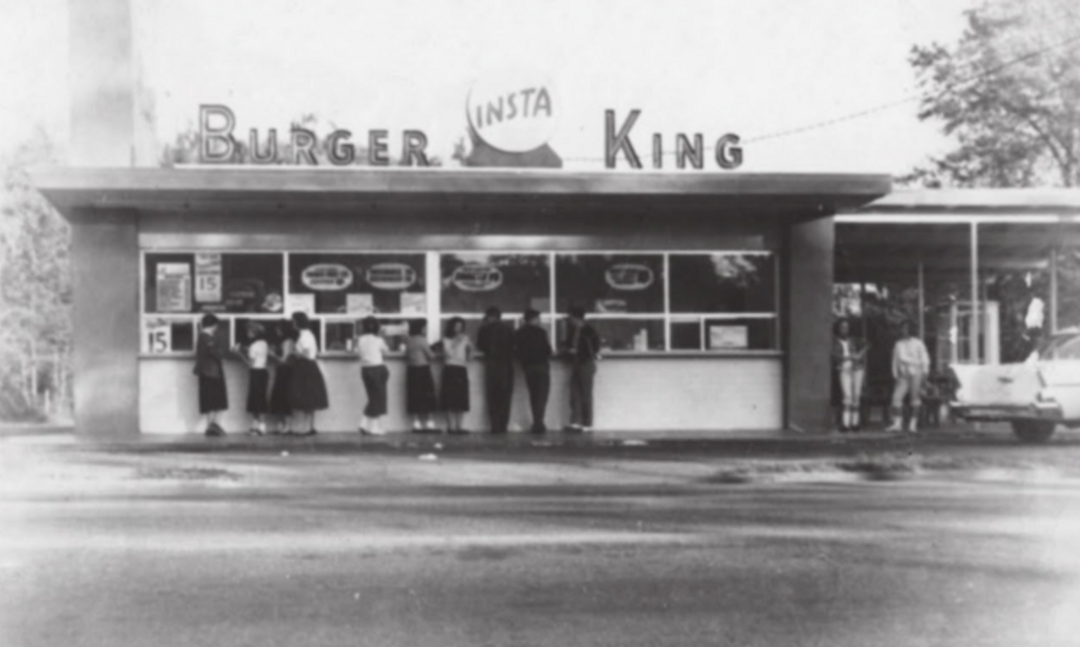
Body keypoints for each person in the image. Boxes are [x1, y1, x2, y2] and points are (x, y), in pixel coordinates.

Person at [287, 311, 328, 436]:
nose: (292, 323)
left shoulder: (304, 335)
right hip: (308, 366)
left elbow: (306, 352)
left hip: (305, 366)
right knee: (309, 397)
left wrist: (294, 353)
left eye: (293, 321)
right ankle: (309, 426)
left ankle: (306, 427)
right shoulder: (307, 334)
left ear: (298, 322)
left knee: (306, 397)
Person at [886, 320, 931, 434]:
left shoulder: (918, 343)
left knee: (914, 399)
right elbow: (895, 360)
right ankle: (897, 423)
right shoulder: (898, 344)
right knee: (896, 397)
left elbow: (924, 358)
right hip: (903, 374)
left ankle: (912, 425)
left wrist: (925, 372)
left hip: (916, 372)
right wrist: (895, 374)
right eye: (902, 328)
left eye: (906, 328)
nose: (904, 330)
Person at [477, 307, 515, 434]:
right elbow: (514, 347)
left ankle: (495, 425)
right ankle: (503, 425)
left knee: (493, 396)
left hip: (492, 365)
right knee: (505, 396)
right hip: (507, 365)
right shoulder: (508, 329)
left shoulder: (485, 330)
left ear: (489, 316)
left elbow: (481, 346)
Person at [514, 308, 553, 434]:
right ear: (534, 319)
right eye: (538, 318)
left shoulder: (519, 333)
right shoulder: (541, 332)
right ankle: (539, 422)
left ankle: (537, 422)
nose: (540, 321)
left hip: (528, 367)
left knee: (533, 395)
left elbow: (516, 350)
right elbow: (548, 350)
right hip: (541, 366)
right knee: (542, 396)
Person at [563, 306, 601, 432]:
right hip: (578, 363)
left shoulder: (588, 331)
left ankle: (587, 423)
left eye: (571, 317)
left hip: (585, 363)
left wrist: (576, 351)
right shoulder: (576, 330)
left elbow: (594, 348)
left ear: (576, 318)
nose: (569, 320)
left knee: (585, 394)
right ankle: (576, 422)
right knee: (575, 393)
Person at [194, 313, 229, 436]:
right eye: (215, 326)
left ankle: (211, 425)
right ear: (213, 325)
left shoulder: (201, 336)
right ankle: (214, 425)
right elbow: (216, 353)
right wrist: (225, 352)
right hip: (213, 372)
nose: (216, 328)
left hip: (205, 372)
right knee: (218, 400)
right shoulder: (207, 337)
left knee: (208, 400)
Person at [356, 316, 391, 436]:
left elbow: (358, 353)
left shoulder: (360, 340)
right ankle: (373, 427)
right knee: (379, 399)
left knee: (373, 398)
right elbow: (386, 351)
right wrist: (383, 338)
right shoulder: (378, 340)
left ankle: (364, 424)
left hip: (365, 370)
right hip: (378, 368)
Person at [832, 319, 868, 433]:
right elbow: (836, 356)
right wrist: (850, 357)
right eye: (842, 327)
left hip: (857, 369)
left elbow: (867, 345)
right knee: (847, 395)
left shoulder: (854, 340)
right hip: (844, 368)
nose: (845, 329)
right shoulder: (835, 342)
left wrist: (859, 354)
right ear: (838, 328)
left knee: (856, 395)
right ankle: (845, 423)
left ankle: (855, 423)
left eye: (847, 327)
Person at [234, 321, 270, 436]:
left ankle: (260, 426)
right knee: (260, 398)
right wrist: (246, 349)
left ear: (253, 332)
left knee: (255, 399)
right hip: (263, 372)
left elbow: (250, 363)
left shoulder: (254, 346)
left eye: (248, 331)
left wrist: (239, 353)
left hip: (255, 372)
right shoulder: (264, 343)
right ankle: (258, 426)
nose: (247, 333)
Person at [404, 319, 439, 433]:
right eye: (424, 327)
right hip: (423, 369)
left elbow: (407, 355)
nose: (425, 330)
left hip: (412, 370)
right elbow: (431, 356)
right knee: (428, 395)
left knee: (414, 395)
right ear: (420, 328)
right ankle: (430, 422)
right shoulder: (422, 340)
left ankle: (416, 422)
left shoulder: (408, 340)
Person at [440, 317, 473, 435]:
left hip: (461, 368)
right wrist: (456, 342)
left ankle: (459, 426)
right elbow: (448, 354)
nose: (458, 329)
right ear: (451, 327)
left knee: (461, 398)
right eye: (456, 326)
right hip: (450, 368)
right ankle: (451, 427)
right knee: (449, 398)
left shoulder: (465, 338)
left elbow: (470, 356)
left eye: (460, 327)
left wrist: (470, 348)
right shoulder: (446, 339)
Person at [267, 320, 295, 434]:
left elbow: (284, 360)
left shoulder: (288, 341)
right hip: (281, 371)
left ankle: (286, 426)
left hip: (285, 371)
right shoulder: (282, 341)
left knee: (284, 397)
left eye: (279, 329)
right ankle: (282, 425)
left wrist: (272, 354)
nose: (277, 331)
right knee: (279, 398)